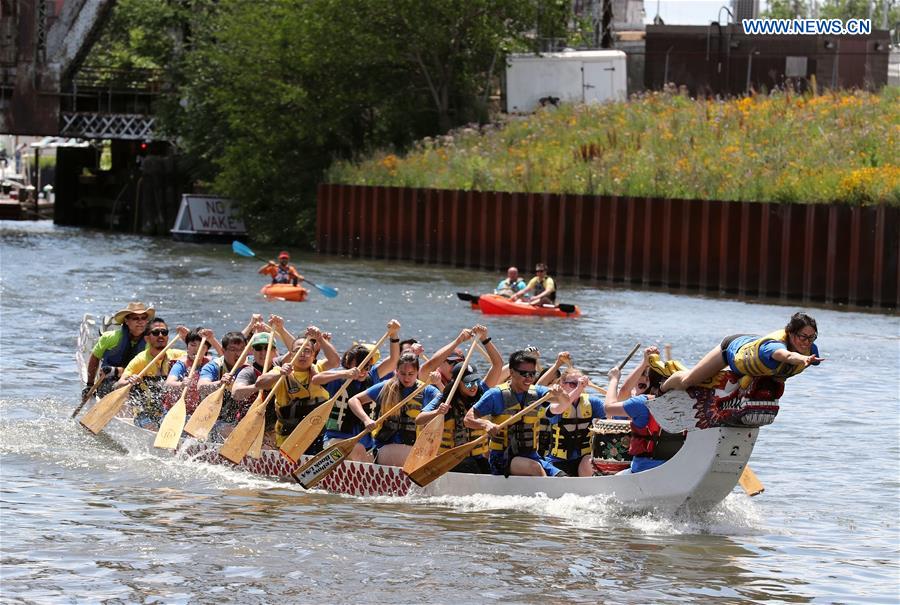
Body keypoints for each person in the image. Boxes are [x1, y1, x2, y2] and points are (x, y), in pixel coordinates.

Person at [661, 312, 824, 392]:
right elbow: (787, 356)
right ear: (791, 333)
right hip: (731, 349)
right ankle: (660, 390)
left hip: (754, 356)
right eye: (803, 337)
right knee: (688, 381)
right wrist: (803, 360)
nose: (807, 342)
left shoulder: (810, 350)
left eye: (812, 337)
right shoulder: (773, 348)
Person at [464, 350, 565, 477]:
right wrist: (485, 424)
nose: (529, 378)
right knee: (535, 468)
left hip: (532, 456)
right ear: (511, 372)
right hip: (502, 458)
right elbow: (468, 419)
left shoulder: (538, 392)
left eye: (532, 374)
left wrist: (560, 393)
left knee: (562, 477)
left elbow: (564, 402)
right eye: (524, 374)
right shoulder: (495, 394)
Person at [314, 319, 401, 462]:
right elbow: (316, 379)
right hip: (337, 438)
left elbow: (393, 360)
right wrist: (344, 374)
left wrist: (394, 335)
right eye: (359, 367)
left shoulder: (372, 376)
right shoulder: (338, 378)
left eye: (366, 367)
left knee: (364, 454)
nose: (363, 371)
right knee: (358, 450)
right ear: (349, 364)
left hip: (366, 440)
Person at [347, 352, 441, 467]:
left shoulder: (427, 389)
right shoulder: (386, 387)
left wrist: (439, 383)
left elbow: (446, 400)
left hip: (413, 449)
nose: (406, 378)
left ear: (417, 372)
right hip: (385, 448)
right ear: (396, 371)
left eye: (411, 374)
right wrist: (366, 419)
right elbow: (354, 400)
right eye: (403, 373)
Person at [255, 326, 336, 450]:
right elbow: (259, 383)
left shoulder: (319, 369)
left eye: (307, 351)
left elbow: (335, 361)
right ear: (291, 355)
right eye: (298, 350)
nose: (302, 354)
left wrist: (320, 339)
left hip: (316, 433)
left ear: (313, 355)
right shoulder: (280, 371)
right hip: (289, 436)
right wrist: (279, 374)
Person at [604, 358, 685, 474]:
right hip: (678, 469)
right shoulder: (691, 404)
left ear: (649, 380)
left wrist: (613, 379)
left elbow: (608, 408)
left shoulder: (642, 403)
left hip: (642, 470)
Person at [538, 365, 610, 477]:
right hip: (557, 461)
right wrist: (579, 388)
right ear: (562, 384)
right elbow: (559, 408)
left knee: (588, 460)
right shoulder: (554, 402)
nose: (578, 387)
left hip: (583, 459)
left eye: (581, 384)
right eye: (573, 384)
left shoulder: (593, 403)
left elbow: (610, 413)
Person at [118, 318, 187, 430]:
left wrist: (186, 338)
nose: (160, 335)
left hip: (169, 411)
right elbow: (120, 383)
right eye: (155, 333)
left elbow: (200, 356)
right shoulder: (140, 360)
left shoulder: (177, 356)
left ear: (168, 337)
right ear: (147, 338)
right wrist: (129, 380)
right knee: (152, 427)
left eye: (164, 332)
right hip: (144, 413)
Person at [87, 302, 154, 396]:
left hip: (135, 379)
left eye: (143, 318)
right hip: (109, 380)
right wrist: (89, 385)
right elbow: (95, 358)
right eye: (135, 318)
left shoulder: (151, 343)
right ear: (126, 321)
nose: (140, 322)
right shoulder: (109, 338)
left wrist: (118, 371)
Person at [197, 331, 250, 438]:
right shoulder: (213, 367)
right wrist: (220, 383)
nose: (238, 354)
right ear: (223, 351)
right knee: (229, 430)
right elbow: (201, 387)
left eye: (241, 349)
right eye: (233, 350)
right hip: (212, 419)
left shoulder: (251, 366)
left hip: (238, 418)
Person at [231, 331, 279, 446]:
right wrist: (257, 386)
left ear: (274, 352)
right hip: (249, 425)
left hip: (274, 427)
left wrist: (281, 329)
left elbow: (294, 351)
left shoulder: (280, 370)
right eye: (258, 348)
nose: (263, 353)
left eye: (267, 348)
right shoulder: (248, 372)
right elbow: (236, 393)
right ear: (252, 351)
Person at [164, 327, 221, 414]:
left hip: (199, 410)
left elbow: (226, 355)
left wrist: (212, 339)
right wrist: (181, 384)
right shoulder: (181, 365)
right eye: (193, 345)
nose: (196, 349)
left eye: (201, 346)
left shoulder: (212, 363)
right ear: (187, 346)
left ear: (207, 350)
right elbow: (168, 384)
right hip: (178, 411)